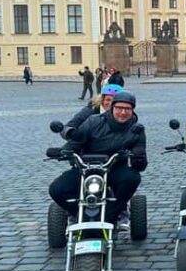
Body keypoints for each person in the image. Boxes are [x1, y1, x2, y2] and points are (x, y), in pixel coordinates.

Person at [49, 91, 147, 228]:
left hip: (114, 167)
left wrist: (139, 156)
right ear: (112, 107)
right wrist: (64, 151)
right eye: (119, 108)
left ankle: (114, 214)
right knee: (56, 189)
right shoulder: (93, 121)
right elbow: (77, 142)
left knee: (132, 178)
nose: (123, 112)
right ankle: (76, 214)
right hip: (86, 168)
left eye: (127, 109)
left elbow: (140, 165)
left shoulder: (136, 129)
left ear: (132, 110)